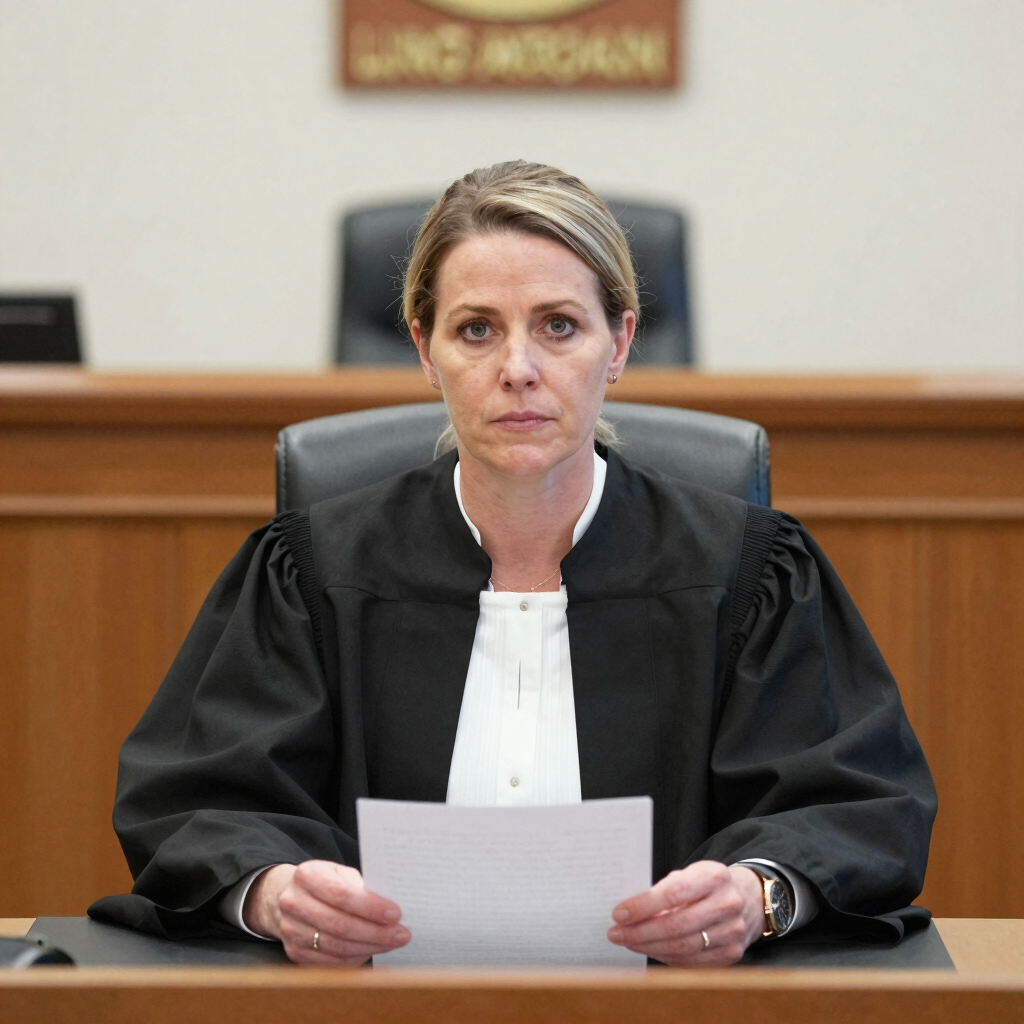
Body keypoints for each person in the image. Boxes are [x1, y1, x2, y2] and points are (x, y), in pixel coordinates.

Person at [91, 160, 936, 967]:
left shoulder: (750, 575)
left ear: (620, 341)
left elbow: (853, 806)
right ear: (426, 351)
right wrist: (275, 893)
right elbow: (197, 802)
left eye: (559, 326)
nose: (518, 370)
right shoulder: (312, 574)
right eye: (476, 330)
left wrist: (758, 895)